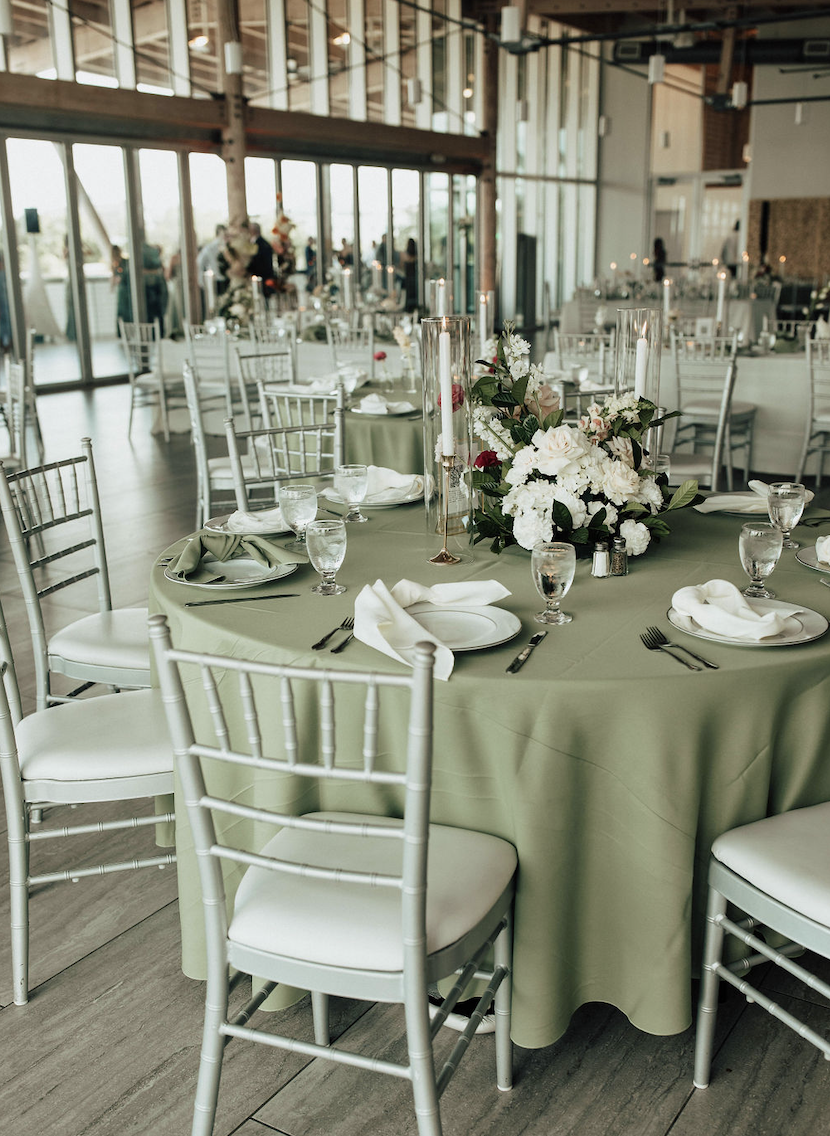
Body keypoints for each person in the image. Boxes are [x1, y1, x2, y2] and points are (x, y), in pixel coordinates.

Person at [248, 222, 276, 297]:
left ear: (253, 231)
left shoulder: (259, 244)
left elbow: (258, 261)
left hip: (261, 277)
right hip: (265, 276)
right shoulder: (265, 243)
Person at [402, 237, 418, 312]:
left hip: (409, 279)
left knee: (409, 297)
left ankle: (409, 310)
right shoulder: (416, 256)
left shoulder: (406, 255)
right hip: (414, 279)